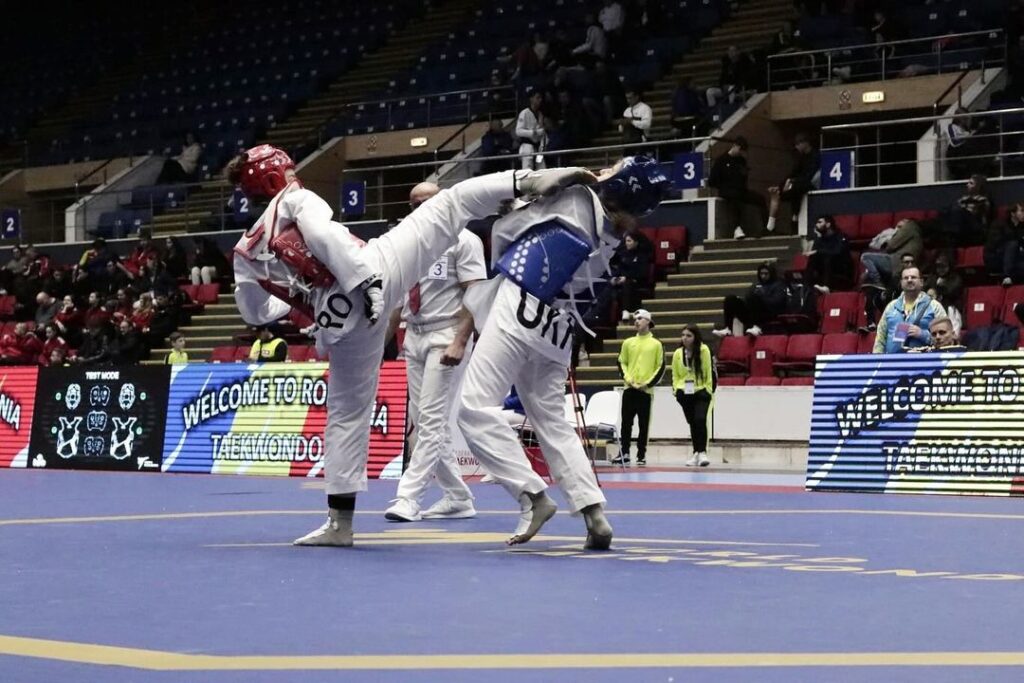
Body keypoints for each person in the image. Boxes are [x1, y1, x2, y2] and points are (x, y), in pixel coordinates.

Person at [231, 144, 594, 548]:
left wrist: (307, 302)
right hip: (374, 274)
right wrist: (364, 281)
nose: (293, 175)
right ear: (275, 177)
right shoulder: (295, 199)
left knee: (347, 415)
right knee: (451, 204)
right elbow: (325, 236)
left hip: (340, 322)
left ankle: (339, 523)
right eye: (288, 169)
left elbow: (255, 311)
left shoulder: (244, 253)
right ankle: (529, 180)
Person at [457, 155, 671, 550]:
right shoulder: (611, 234)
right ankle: (593, 513)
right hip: (558, 329)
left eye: (615, 167)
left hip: (521, 306)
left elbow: (506, 229)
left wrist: (524, 198)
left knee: (473, 409)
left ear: (619, 183)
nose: (605, 168)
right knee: (552, 421)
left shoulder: (576, 197)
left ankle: (531, 494)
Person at [382, 182, 487, 523]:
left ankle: (408, 496)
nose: (422, 208)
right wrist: (381, 345)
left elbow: (475, 295)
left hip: (446, 334)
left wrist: (460, 341)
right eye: (415, 204)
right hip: (414, 334)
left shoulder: (464, 240)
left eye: (428, 202)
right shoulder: (407, 242)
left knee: (429, 420)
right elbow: (397, 301)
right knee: (425, 418)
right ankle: (458, 497)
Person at [614, 308, 665, 467]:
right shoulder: (628, 343)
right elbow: (621, 362)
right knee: (626, 423)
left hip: (645, 391)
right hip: (629, 388)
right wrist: (628, 379)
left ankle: (641, 454)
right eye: (635, 319)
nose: (637, 321)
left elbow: (660, 366)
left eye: (640, 318)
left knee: (644, 424)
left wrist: (647, 383)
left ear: (648, 321)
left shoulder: (656, 344)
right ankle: (624, 452)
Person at [872, 266, 948, 354]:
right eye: (906, 278)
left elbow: (946, 338)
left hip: (924, 360)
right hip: (893, 360)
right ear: (901, 283)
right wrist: (876, 359)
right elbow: (880, 338)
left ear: (921, 282)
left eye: (913, 277)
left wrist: (923, 334)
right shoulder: (891, 307)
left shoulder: (934, 306)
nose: (909, 280)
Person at [707, 136, 767, 239]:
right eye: (739, 150)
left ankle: (765, 227)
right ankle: (736, 228)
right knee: (735, 199)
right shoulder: (721, 160)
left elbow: (743, 178)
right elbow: (712, 181)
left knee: (760, 199)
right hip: (727, 190)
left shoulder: (741, 161)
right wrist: (724, 186)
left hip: (740, 189)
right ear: (734, 146)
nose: (740, 153)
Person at [672, 324, 713, 467]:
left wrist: (708, 389)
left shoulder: (704, 350)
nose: (685, 338)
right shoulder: (678, 353)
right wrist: (676, 390)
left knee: (700, 419)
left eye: (689, 336)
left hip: (701, 390)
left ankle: (702, 452)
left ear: (695, 337)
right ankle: (696, 452)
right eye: (683, 335)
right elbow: (675, 374)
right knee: (692, 422)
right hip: (684, 392)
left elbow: (708, 371)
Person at [712, 261, 787, 337]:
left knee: (755, 297)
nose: (763, 276)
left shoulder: (779, 285)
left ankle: (757, 327)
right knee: (731, 299)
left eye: (766, 274)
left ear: (771, 273)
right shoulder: (756, 286)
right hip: (752, 315)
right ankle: (728, 329)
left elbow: (777, 302)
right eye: (761, 273)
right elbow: (748, 298)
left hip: (768, 315)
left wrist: (761, 297)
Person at [765, 133, 820, 234]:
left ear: (805, 143)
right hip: (798, 184)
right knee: (777, 192)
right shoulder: (800, 157)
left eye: (798, 144)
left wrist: (792, 182)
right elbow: (793, 172)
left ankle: (795, 218)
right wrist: (780, 185)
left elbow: (810, 176)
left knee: (795, 189)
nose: (796, 147)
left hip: (811, 184)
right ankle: (770, 225)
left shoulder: (816, 156)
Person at [804, 214, 853, 294]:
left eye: (820, 222)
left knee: (827, 256)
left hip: (841, 268)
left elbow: (838, 252)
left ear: (828, 224)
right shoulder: (820, 239)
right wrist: (816, 250)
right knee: (813, 258)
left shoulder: (841, 236)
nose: (816, 225)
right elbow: (814, 253)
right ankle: (805, 286)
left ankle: (827, 287)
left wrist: (818, 252)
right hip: (824, 269)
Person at [515, 90, 546, 170]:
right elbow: (518, 131)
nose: (540, 100)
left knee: (542, 170)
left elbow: (542, 133)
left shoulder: (540, 114)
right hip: (527, 147)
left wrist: (543, 146)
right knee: (527, 170)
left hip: (539, 148)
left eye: (540, 98)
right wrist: (533, 132)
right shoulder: (524, 113)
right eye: (537, 98)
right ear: (531, 99)